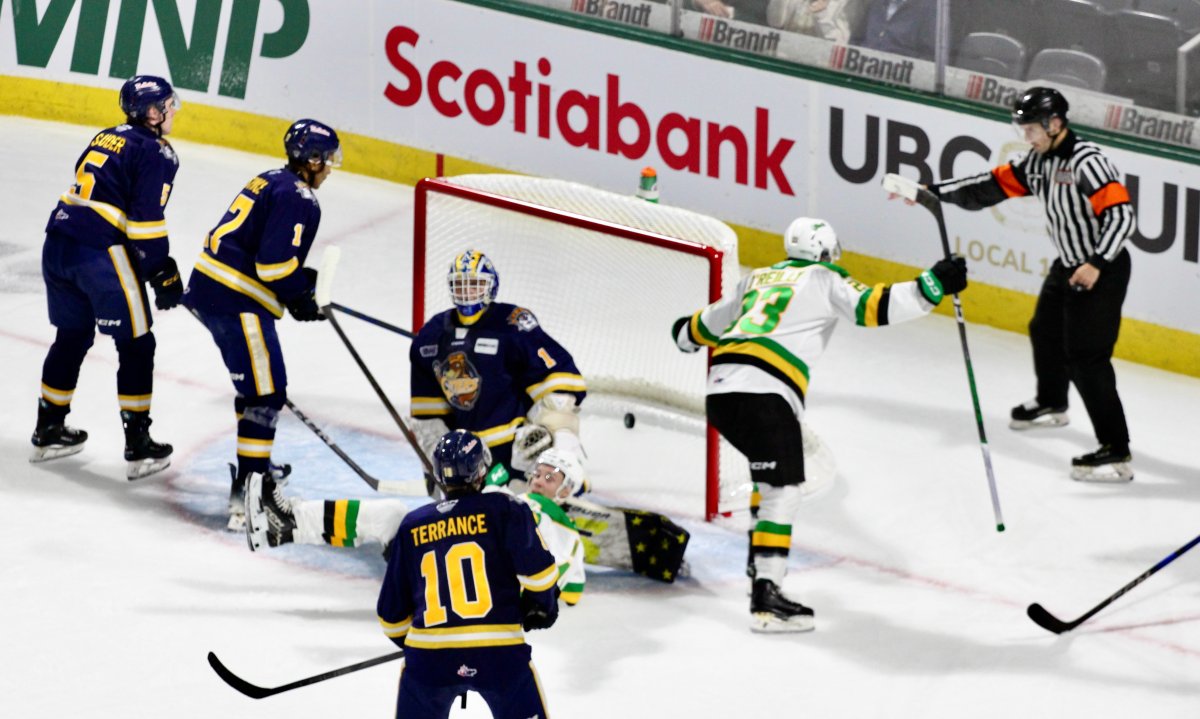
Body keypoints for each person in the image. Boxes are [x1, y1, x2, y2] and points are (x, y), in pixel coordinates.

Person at [673, 217, 967, 632]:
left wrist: (683, 333)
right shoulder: (826, 278)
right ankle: (768, 598)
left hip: (721, 393)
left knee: (769, 479)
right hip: (765, 394)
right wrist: (933, 285)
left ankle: (760, 570)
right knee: (783, 489)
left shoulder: (757, 278)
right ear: (827, 253)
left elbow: (700, 327)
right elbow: (873, 308)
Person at [930, 87, 1135, 483]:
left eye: (1031, 128)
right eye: (1021, 128)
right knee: (1044, 331)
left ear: (1055, 123)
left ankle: (1115, 448)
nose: (1026, 136)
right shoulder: (1037, 163)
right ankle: (1052, 402)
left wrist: (1095, 263)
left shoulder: (1087, 162)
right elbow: (989, 185)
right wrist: (934, 193)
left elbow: (1122, 217)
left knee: (1087, 361)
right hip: (1068, 265)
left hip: (1101, 270)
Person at [182, 118, 342, 529]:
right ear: (311, 160)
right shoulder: (302, 198)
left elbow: (262, 248)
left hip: (210, 289)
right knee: (266, 395)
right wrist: (298, 296)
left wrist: (297, 279)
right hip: (238, 300)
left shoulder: (269, 179)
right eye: (326, 160)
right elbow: (271, 266)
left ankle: (255, 470)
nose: (329, 168)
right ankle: (250, 499)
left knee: (254, 389)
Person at [30, 75, 183, 480]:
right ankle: (138, 445)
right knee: (137, 343)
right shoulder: (158, 151)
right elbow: (146, 221)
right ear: (151, 113)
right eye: (167, 104)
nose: (172, 110)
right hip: (98, 253)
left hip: (58, 241)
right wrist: (161, 269)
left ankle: (49, 427)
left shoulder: (106, 135)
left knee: (73, 336)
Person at [244, 445, 589, 606]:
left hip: (450, 580)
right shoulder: (567, 536)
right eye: (540, 472)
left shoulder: (516, 504)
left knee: (392, 516)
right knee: (393, 518)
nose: (540, 479)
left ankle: (288, 523)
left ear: (567, 489)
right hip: (464, 584)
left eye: (551, 476)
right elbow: (571, 593)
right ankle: (286, 525)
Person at [377, 430, 559, 718]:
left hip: (429, 657)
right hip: (498, 651)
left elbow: (390, 618)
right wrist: (542, 606)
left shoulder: (412, 525)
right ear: (481, 470)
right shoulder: (505, 508)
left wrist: (426, 648)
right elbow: (540, 576)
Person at [409, 249, 589, 489]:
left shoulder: (511, 323)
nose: (467, 292)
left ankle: (566, 483)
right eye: (461, 285)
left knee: (559, 412)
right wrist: (437, 460)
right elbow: (428, 417)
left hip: (514, 445)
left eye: (475, 285)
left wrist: (551, 435)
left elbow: (559, 384)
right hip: (467, 453)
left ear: (490, 286)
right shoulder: (431, 337)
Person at [852, 0, 936, 60]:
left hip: (896, 77)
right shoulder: (875, 3)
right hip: (859, 68)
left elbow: (928, 57)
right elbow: (856, 38)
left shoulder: (929, 9)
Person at [767, 0, 866, 43]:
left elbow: (838, 44)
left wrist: (822, 15)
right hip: (783, 55)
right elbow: (775, 22)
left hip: (818, 69)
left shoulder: (847, 3)